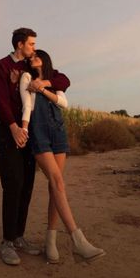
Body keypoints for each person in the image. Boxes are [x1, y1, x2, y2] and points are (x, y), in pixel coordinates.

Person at [0, 28, 70, 265]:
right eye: (32, 44)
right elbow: (1, 100)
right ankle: (6, 242)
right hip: (8, 130)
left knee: (27, 184)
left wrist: (45, 81)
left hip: (29, 132)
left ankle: (19, 237)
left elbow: (63, 79)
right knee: (13, 183)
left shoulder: (28, 66)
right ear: (20, 44)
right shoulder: (1, 66)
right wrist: (14, 127)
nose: (34, 48)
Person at [20, 50, 105, 263]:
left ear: (45, 59)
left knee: (54, 187)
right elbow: (27, 105)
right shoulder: (26, 77)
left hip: (58, 131)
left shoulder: (55, 79)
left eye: (35, 56)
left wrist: (43, 87)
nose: (31, 59)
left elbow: (63, 102)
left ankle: (50, 242)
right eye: (29, 58)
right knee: (57, 181)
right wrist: (23, 128)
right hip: (39, 133)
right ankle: (77, 240)